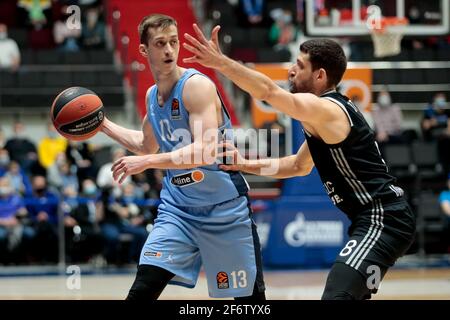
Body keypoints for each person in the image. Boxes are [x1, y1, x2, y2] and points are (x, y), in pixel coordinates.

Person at [183, 25, 416, 300]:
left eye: (299, 65)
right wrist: (244, 164)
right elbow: (297, 166)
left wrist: (220, 63)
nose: (291, 71)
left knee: (336, 295)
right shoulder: (323, 116)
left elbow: (269, 93)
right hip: (373, 218)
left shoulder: (327, 109)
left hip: (383, 218)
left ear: (320, 75)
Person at [99, 14, 265, 300]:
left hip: (223, 208)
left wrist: (148, 162)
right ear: (144, 50)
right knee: (141, 290)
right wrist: (102, 124)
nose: (169, 50)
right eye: (160, 43)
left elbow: (204, 150)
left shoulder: (196, 86)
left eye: (173, 42)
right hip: (178, 211)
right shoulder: (153, 96)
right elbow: (145, 145)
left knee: (250, 302)